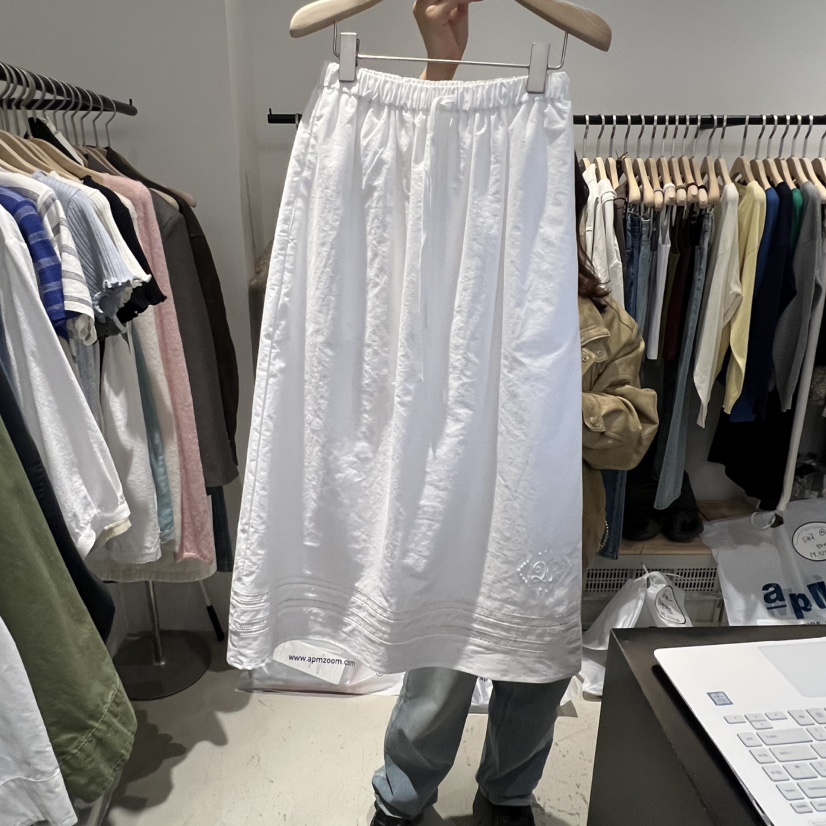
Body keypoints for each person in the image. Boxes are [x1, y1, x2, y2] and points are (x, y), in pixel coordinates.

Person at [370, 3, 659, 825]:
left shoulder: (603, 322)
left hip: (552, 535)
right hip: (457, 525)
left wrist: (548, 399)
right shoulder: (453, 300)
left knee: (536, 678)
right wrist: (440, 62)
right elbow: (415, 206)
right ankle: (401, 801)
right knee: (438, 677)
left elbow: (633, 436)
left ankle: (508, 798)